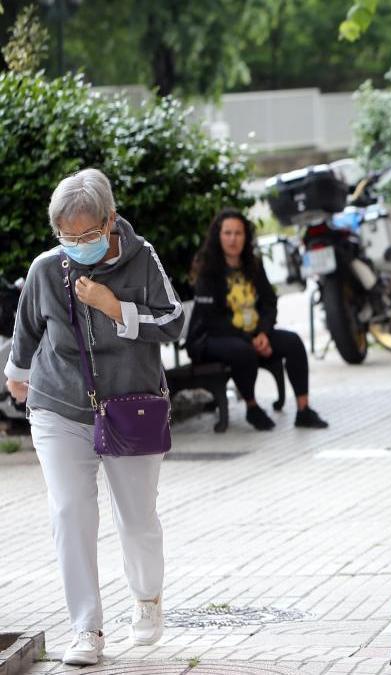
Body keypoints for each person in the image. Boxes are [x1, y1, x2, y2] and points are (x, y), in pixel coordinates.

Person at [4, 168, 184, 665]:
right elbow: (27, 328)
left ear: (109, 220)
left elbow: (174, 322)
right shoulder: (47, 267)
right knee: (70, 512)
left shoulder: (141, 257)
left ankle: (147, 600)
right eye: (67, 235)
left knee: (138, 518)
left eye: (87, 234)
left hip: (131, 406)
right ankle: (86, 628)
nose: (77, 244)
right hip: (59, 405)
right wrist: (17, 373)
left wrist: (116, 307)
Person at [187, 209, 328, 431]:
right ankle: (252, 407)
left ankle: (304, 410)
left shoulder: (252, 264)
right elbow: (212, 318)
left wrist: (262, 332)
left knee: (293, 343)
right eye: (227, 233)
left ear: (246, 236)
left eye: (238, 233)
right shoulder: (207, 268)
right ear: (218, 235)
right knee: (242, 350)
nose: (233, 239)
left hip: (253, 334)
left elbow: (269, 302)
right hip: (211, 338)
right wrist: (249, 339)